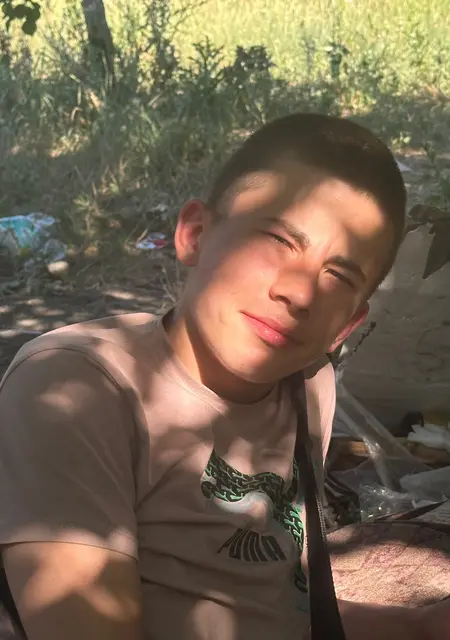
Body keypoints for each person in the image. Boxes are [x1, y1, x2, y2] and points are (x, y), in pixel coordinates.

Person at [0, 113, 445, 640]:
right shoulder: (77, 388)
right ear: (194, 234)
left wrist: (418, 625)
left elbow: (267, 603)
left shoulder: (309, 386)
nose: (299, 292)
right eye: (278, 239)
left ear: (346, 325)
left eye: (339, 276)